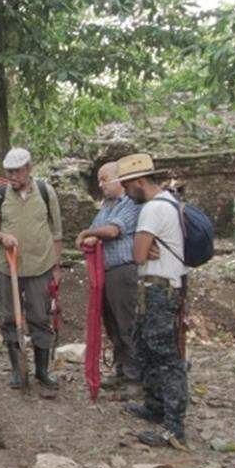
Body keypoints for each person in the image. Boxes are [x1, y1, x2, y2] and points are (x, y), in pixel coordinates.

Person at [115, 153, 189, 450]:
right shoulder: (169, 202)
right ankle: (155, 405)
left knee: (167, 358)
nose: (125, 192)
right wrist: (146, 247)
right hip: (160, 287)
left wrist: (144, 246)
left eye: (126, 185)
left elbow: (137, 254)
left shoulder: (153, 209)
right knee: (147, 349)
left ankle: (174, 427)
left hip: (159, 289)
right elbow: (144, 250)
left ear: (139, 181)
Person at [0, 147, 63, 395]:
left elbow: (56, 232)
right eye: (9, 171)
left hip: (40, 267)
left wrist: (56, 267)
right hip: (7, 268)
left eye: (18, 171)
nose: (13, 176)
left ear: (29, 168)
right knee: (8, 318)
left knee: (40, 318)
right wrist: (2, 236)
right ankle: (17, 369)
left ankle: (42, 371)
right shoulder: (0, 195)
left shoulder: (45, 191)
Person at [75, 161, 142, 389]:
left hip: (123, 271)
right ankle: (121, 370)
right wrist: (92, 235)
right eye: (99, 180)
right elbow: (98, 231)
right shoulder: (106, 207)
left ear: (118, 178)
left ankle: (134, 377)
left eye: (104, 179)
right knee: (112, 325)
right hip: (105, 272)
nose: (101, 185)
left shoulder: (131, 203)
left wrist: (88, 233)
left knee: (126, 324)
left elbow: (113, 231)